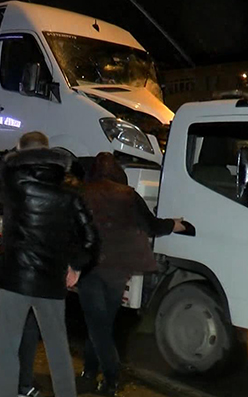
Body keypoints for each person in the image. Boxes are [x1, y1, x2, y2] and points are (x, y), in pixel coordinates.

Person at [0, 131, 97, 397]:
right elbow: (91, 238)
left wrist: (8, 159)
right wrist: (77, 267)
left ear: (20, 152)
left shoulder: (13, 180)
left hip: (14, 278)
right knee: (58, 350)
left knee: (6, 349)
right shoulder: (70, 188)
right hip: (51, 280)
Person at [78, 152, 185, 395]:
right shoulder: (128, 195)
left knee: (97, 324)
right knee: (102, 324)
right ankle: (90, 369)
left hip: (90, 268)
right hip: (118, 269)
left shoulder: (83, 192)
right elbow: (151, 225)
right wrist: (174, 224)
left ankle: (110, 377)